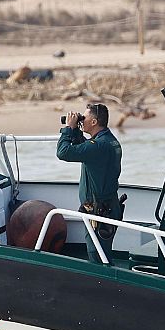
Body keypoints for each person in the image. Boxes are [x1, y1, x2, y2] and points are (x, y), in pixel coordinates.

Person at [57, 102, 123, 259]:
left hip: (99, 211)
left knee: (97, 255)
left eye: (84, 118)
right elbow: (85, 150)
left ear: (94, 122)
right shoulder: (107, 141)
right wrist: (76, 131)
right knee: (103, 252)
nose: (81, 120)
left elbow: (63, 152)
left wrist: (68, 130)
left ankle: (104, 283)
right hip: (108, 207)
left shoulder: (98, 146)